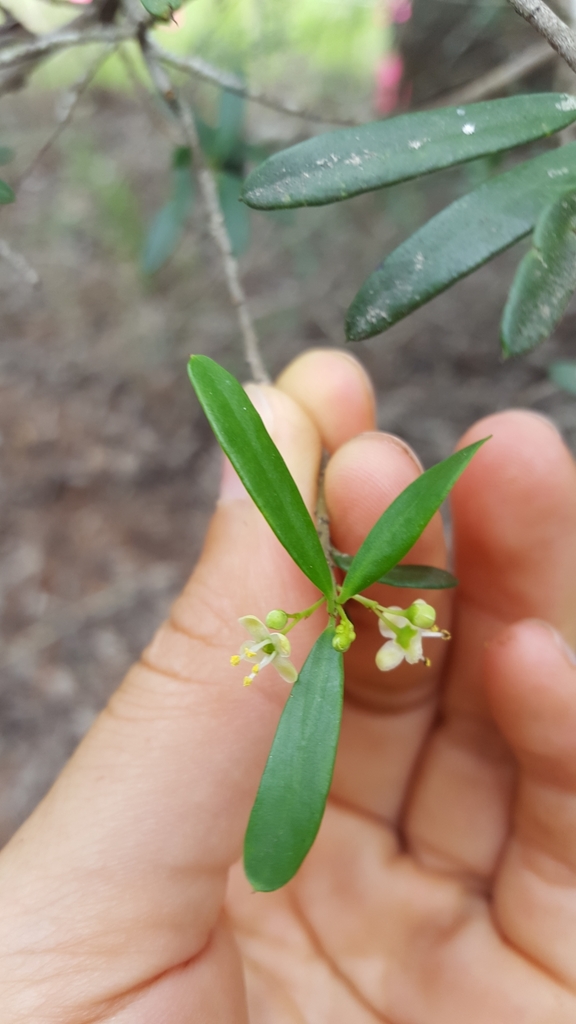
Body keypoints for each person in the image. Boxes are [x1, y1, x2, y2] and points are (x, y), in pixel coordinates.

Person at [1, 347, 576, 1023]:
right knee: (374, 477)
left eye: (407, 630)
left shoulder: (377, 627)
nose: (409, 631)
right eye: (405, 629)